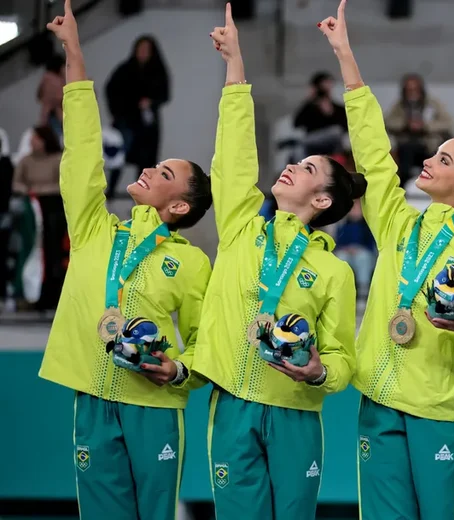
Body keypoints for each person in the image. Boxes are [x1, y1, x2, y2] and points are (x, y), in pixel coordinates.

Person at [318, 3, 454, 518]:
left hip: (436, 411)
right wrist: (345, 57)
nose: (427, 161)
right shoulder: (402, 226)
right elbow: (374, 157)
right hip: (377, 403)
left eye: (443, 160)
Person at [36, 2, 214, 519]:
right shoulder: (95, 228)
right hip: (92, 396)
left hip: (154, 407)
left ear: (178, 206)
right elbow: (83, 154)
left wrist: (180, 369)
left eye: (163, 173)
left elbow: (208, 343)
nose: (149, 170)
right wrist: (74, 53)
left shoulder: (193, 263)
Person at [193, 5, 362, 520]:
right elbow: (235, 154)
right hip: (231, 406)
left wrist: (318, 373)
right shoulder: (244, 228)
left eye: (308, 168)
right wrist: (235, 67)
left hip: (294, 412)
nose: (291, 166)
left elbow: (341, 359)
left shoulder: (335, 271)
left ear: (322, 201)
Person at [105, 34, 170, 199]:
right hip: (125, 121)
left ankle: (141, 194)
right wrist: (120, 110)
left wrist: (151, 102)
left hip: (147, 125)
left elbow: (165, 94)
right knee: (118, 154)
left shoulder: (157, 71)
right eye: (140, 49)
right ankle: (111, 190)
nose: (142, 53)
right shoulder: (125, 69)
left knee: (146, 159)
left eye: (146, 50)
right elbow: (111, 90)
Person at [11, 125, 66, 310]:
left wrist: (39, 191)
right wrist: (29, 192)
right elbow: (17, 183)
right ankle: (25, 293)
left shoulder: (57, 160)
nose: (32, 142)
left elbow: (62, 184)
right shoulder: (26, 161)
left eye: (36, 138)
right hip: (30, 209)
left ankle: (52, 293)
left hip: (52, 210)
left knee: (51, 252)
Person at [384, 73, 454, 186]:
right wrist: (406, 124)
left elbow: (448, 123)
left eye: (415, 89)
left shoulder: (432, 104)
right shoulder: (400, 105)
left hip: (429, 147)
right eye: (409, 89)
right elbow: (388, 121)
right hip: (406, 147)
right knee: (401, 165)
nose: (412, 92)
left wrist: (425, 126)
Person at [293, 71, 349, 156]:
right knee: (299, 149)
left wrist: (330, 113)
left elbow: (344, 127)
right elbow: (296, 123)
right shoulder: (309, 107)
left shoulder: (337, 108)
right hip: (312, 140)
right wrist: (309, 101)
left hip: (331, 143)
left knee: (336, 133)